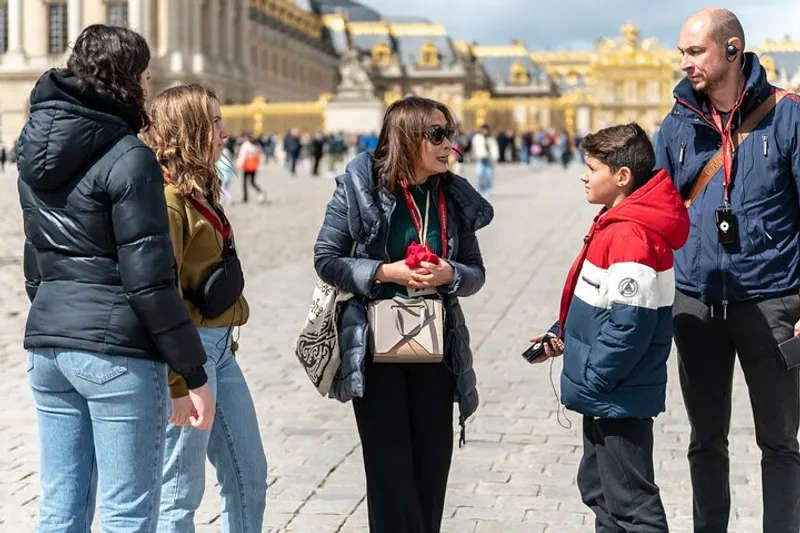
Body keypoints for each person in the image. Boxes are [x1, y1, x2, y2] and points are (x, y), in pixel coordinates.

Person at [17, 25, 214, 533]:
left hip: (49, 345)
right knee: (128, 514)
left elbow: (36, 258)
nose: (148, 85)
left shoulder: (30, 147)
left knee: (60, 510)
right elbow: (150, 281)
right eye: (144, 75)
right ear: (127, 79)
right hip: (116, 353)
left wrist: (56, 315)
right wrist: (192, 371)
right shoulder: (130, 155)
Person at [313, 96, 493, 533]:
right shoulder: (359, 187)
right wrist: (384, 271)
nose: (449, 144)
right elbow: (326, 258)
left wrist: (450, 274)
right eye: (437, 134)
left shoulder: (452, 195)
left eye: (450, 133)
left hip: (435, 342)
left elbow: (475, 272)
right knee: (390, 471)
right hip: (374, 346)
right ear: (408, 137)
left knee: (432, 468)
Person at [655, 8, 800, 533]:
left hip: (774, 302)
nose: (685, 62)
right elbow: (654, 214)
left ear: (733, 49)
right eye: (682, 52)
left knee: (780, 442)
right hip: (696, 302)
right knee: (705, 441)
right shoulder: (676, 123)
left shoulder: (789, 116)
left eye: (696, 51)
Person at [531, 123, 689, 533]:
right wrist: (561, 332)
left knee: (632, 506)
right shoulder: (614, 222)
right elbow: (600, 304)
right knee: (600, 491)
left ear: (622, 176)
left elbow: (630, 323)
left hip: (617, 390)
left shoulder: (630, 235)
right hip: (608, 388)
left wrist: (596, 377)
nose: (583, 176)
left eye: (592, 168)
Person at [141, 83, 268, 533]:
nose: (225, 132)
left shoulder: (198, 190)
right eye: (213, 122)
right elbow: (162, 293)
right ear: (189, 129)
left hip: (221, 349)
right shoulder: (168, 201)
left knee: (249, 473)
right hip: (191, 352)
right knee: (180, 490)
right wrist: (180, 380)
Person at [471, 124, 500, 199]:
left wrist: (495, 158)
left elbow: (494, 148)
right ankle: (480, 189)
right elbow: (474, 147)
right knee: (479, 174)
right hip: (480, 158)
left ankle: (488, 190)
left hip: (488, 158)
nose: (485, 131)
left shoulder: (491, 138)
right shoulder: (477, 137)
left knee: (489, 175)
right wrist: (473, 155)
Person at [235, 133, 265, 203]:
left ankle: (245, 198)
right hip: (254, 165)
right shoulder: (257, 145)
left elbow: (242, 156)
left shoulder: (245, 145)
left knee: (245, 182)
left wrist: (238, 165)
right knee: (252, 182)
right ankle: (260, 191)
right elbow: (259, 154)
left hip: (247, 165)